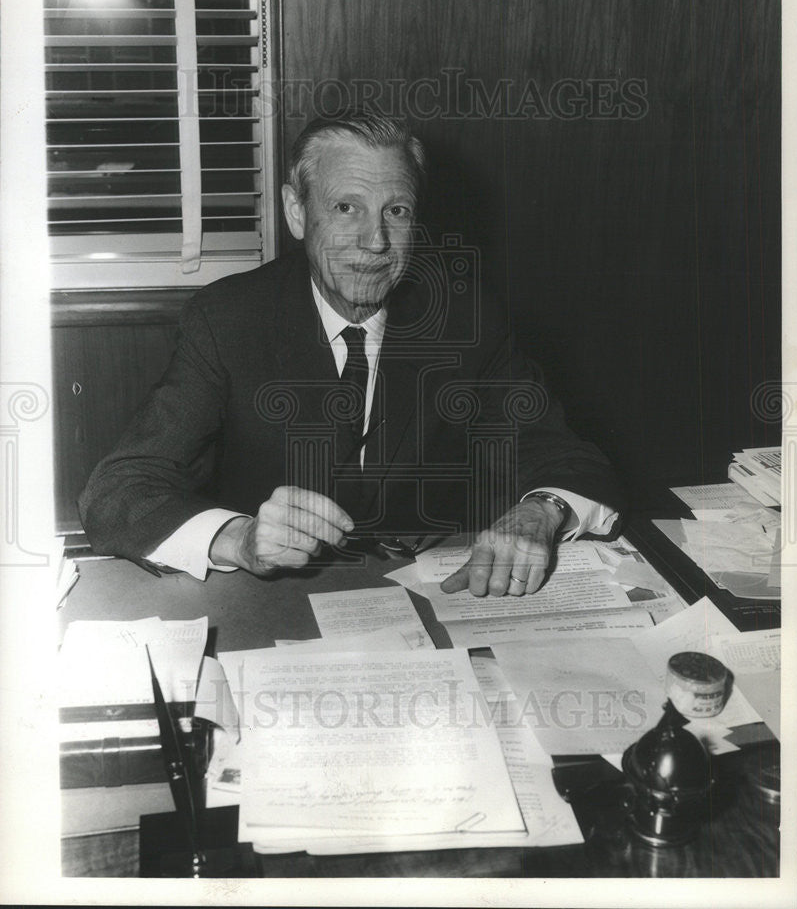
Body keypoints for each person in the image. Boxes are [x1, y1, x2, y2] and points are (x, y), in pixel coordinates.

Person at [80, 112, 623, 597]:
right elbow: (119, 490)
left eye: (397, 211)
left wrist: (541, 511)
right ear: (297, 212)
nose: (376, 241)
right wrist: (239, 538)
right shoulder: (228, 320)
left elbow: (566, 457)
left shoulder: (465, 320)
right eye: (346, 208)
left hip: (436, 601)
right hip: (273, 605)